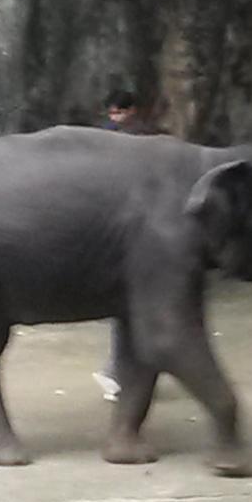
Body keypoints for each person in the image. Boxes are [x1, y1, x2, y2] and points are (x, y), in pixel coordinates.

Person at [93, 89, 151, 400]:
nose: (116, 119)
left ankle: (120, 372)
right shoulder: (112, 138)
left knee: (129, 312)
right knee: (128, 311)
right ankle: (118, 372)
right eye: (112, 114)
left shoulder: (142, 138)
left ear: (133, 111)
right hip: (126, 230)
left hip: (134, 228)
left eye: (120, 113)